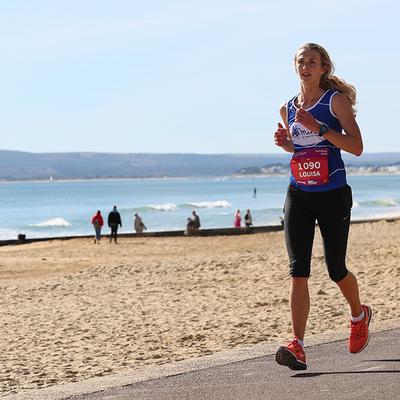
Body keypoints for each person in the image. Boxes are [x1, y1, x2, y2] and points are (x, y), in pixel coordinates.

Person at [273, 43, 371, 371]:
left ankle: (359, 315)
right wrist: (288, 144)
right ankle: (297, 345)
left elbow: (356, 147)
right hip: (299, 193)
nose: (306, 66)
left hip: (332, 194)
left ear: (323, 68)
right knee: (298, 270)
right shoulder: (287, 108)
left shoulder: (335, 102)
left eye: (312, 62)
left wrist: (320, 128)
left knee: (335, 269)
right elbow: (301, 150)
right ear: (295, 67)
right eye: (301, 61)